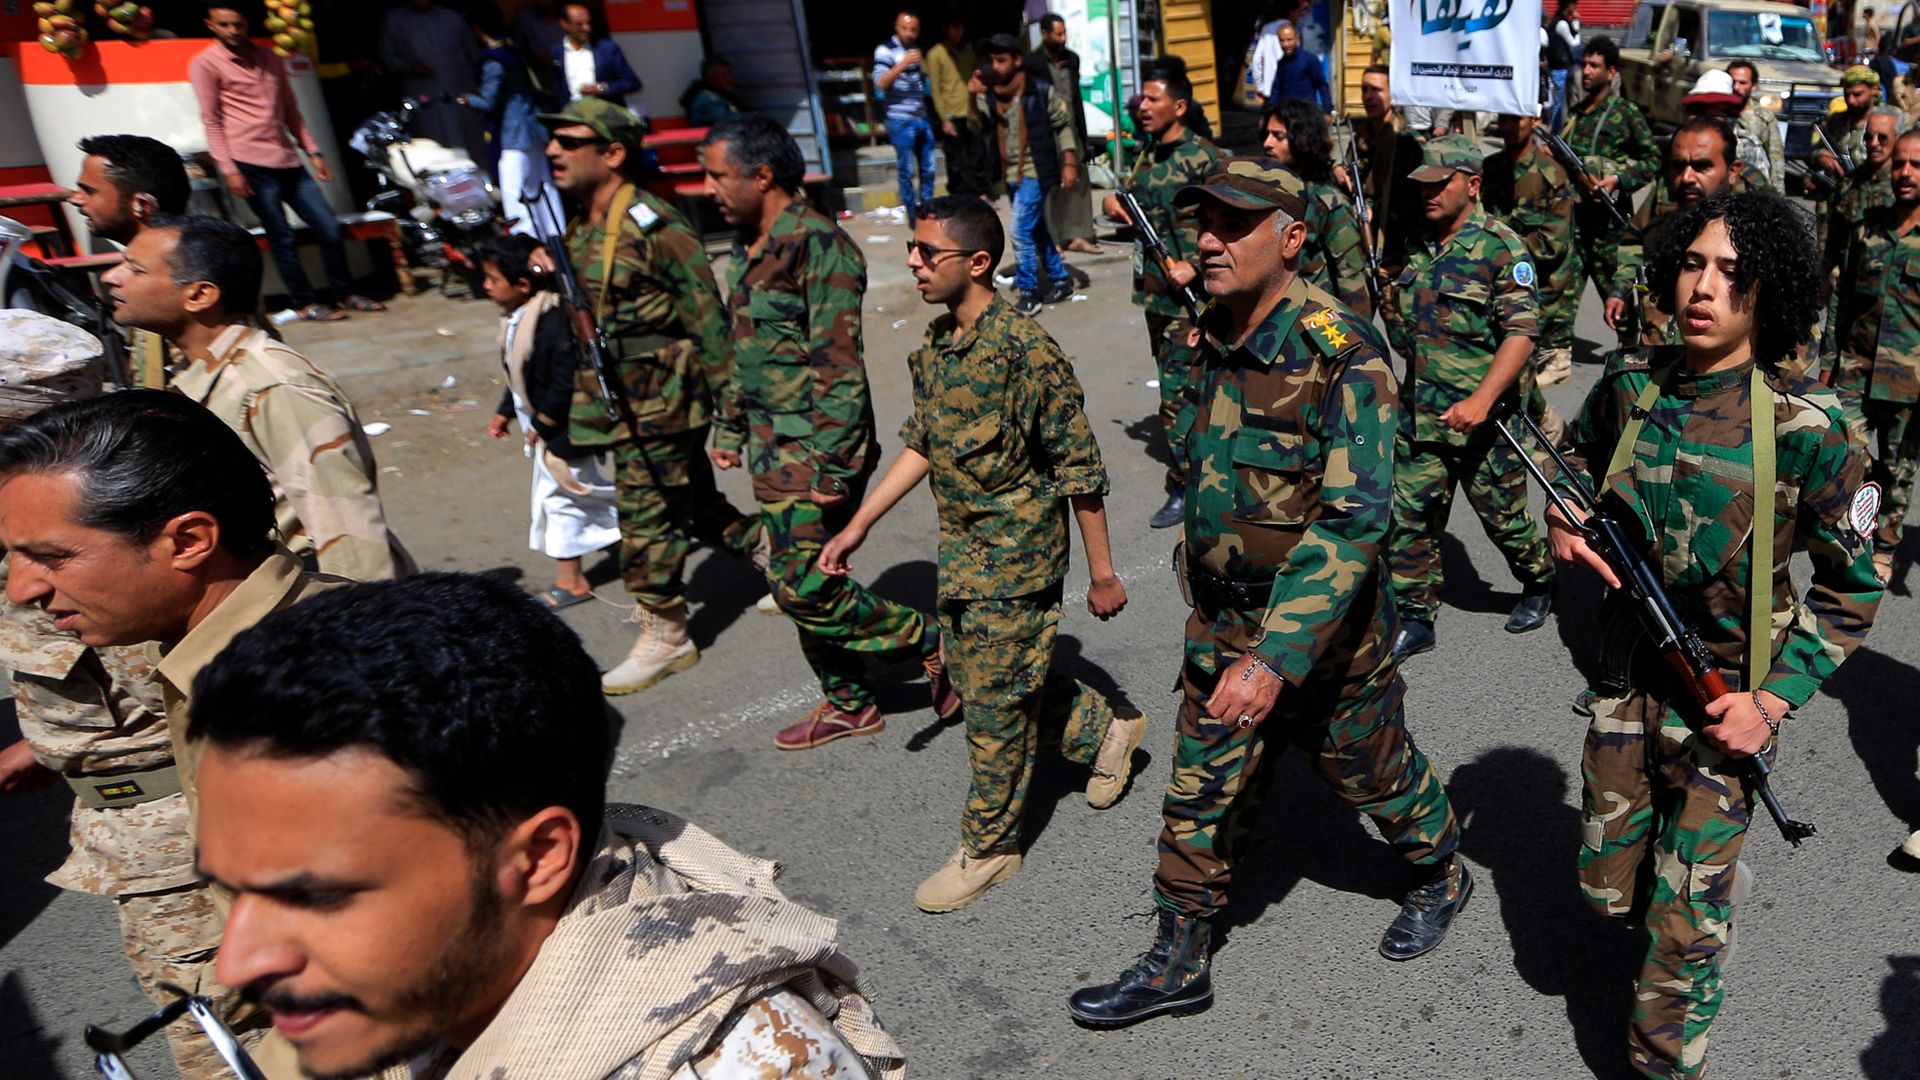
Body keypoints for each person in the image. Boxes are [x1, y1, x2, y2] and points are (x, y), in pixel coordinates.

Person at [186, 573, 906, 1080]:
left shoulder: (729, 1064)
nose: (237, 965)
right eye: (235, 890)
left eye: (314, 897)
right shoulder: (459, 972)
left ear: (536, 860)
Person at [1067, 159, 1469, 1029]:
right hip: (1221, 620)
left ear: (1291, 240)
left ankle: (1442, 868)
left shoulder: (1342, 351)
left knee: (1378, 779)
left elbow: (1353, 523)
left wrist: (1275, 659)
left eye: (1232, 225)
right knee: (1197, 790)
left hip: (1319, 638)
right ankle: (1179, 955)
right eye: (1202, 223)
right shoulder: (1211, 331)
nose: (1208, 240)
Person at [1551, 190, 1881, 1080]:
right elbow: (1576, 459)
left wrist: (1771, 704)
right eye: (1692, 264)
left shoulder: (1810, 426)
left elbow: (1857, 582)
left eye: (1733, 274)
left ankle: (1667, 1051)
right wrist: (1565, 521)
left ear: (1770, 295)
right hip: (1626, 682)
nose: (1704, 288)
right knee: (1607, 886)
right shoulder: (1631, 383)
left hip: (1726, 697)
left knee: (1682, 924)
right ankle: (1693, 897)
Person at [0, 390, 343, 1074]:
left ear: (187, 540)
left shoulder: (309, 693)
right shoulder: (208, 667)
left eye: (53, 557)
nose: (22, 591)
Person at [817, 196, 1143, 912]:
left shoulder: (1026, 353)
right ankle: (1106, 729)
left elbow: (1079, 470)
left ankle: (989, 846)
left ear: (978, 263)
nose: (912, 262)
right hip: (964, 556)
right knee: (984, 676)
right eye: (911, 248)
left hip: (1020, 563)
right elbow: (923, 444)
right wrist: (860, 524)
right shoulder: (937, 348)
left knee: (992, 710)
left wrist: (1103, 574)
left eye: (927, 252)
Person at [0, 321, 252, 1080]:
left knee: (232, 1052)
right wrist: (51, 749)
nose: (25, 586)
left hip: (196, 841)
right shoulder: (67, 514)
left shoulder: (129, 516)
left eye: (46, 561)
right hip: (125, 834)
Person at [701, 112, 955, 749]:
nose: (709, 188)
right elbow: (748, 346)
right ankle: (849, 701)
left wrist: (836, 469)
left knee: (800, 587)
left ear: (762, 176)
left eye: (717, 176)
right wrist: (729, 426)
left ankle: (926, 638)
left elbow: (836, 365)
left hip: (815, 449)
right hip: (769, 446)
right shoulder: (748, 245)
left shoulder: (819, 245)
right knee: (800, 575)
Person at [538, 98, 758, 693]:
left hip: (661, 399)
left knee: (644, 516)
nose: (553, 150)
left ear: (612, 153)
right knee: (689, 503)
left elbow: (707, 318)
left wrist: (731, 417)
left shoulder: (653, 221)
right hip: (618, 397)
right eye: (552, 140)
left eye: (569, 140)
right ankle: (774, 557)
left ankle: (667, 633)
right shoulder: (585, 221)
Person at [99, 214, 412, 583]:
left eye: (135, 270)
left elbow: (347, 525)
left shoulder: (270, 386)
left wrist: (358, 625)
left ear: (199, 295)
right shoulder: (199, 372)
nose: (111, 277)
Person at [1382, 136, 1557, 661]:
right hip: (1424, 416)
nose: (1428, 193)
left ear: (1472, 185)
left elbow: (1522, 333)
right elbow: (1406, 326)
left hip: (1486, 421)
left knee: (1504, 520)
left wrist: (1482, 399)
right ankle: (1416, 615)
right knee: (1409, 516)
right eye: (1423, 185)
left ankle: (1539, 580)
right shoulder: (1416, 243)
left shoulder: (1501, 248)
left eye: (1440, 183)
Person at [193, 4, 385, 322]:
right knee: (281, 236)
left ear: (247, 24)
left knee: (328, 226)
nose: (232, 31)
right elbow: (211, 121)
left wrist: (314, 152)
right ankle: (304, 302)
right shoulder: (205, 63)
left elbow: (291, 111)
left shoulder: (270, 58)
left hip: (288, 159)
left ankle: (345, 292)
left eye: (237, 24)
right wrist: (229, 169)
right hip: (248, 162)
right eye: (224, 25)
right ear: (211, 26)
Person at [1103, 67, 1220, 529]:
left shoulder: (1206, 158)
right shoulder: (1146, 153)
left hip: (1190, 297)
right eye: (1141, 99)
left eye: (1153, 99)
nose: (1142, 107)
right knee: (1179, 390)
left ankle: (1185, 485)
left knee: (1178, 395)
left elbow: (1233, 222)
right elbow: (1132, 205)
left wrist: (1194, 260)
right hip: (1155, 294)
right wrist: (1114, 207)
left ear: (1179, 107)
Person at [476, 233, 618, 609]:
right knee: (579, 494)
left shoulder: (554, 319)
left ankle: (571, 582)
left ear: (523, 284)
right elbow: (519, 374)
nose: (485, 286)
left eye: (492, 279)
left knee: (560, 500)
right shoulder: (517, 319)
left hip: (566, 429)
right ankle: (638, 535)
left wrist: (543, 420)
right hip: (543, 428)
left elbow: (562, 378)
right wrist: (506, 411)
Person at [1823, 128, 1920, 583]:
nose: (1904, 173)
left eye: (1916, 165)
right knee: (1847, 455)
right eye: (1899, 163)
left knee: (1899, 470)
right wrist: (1828, 359)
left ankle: (1885, 545)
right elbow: (1842, 298)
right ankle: (1853, 537)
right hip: (1856, 370)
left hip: (1910, 380)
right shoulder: (1868, 231)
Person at [1606, 116, 1750, 352]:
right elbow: (1634, 239)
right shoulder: (1666, 193)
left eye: (1702, 166)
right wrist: (1620, 289)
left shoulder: (1756, 218)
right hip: (1660, 344)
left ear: (1733, 171)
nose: (1687, 177)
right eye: (1679, 165)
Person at [65, 133, 192, 388]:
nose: (75, 199)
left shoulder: (180, 274)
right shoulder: (154, 270)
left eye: (89, 190)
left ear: (141, 204)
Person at [973, 33, 1081, 316]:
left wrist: (1069, 163)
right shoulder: (991, 95)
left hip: (1036, 169)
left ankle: (1029, 292)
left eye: (1001, 60)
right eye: (991, 60)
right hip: (1009, 172)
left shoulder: (1039, 90)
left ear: (1017, 61)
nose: (994, 66)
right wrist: (972, 98)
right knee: (1036, 229)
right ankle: (1060, 280)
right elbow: (977, 128)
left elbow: (1063, 124)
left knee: (1020, 231)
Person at [1560, 35, 1659, 310]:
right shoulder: (1577, 114)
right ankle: (1561, 352)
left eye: (1595, 66)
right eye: (1585, 65)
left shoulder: (1626, 113)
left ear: (1612, 72)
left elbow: (1653, 159)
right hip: (1576, 223)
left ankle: (1632, 351)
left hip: (1609, 230)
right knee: (1563, 304)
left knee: (1620, 304)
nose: (1587, 72)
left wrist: (1619, 179)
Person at [1484, 112, 1580, 389]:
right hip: (1494, 287)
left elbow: (1553, 243)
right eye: (1504, 119)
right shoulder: (1490, 169)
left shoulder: (1552, 175)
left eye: (1516, 119)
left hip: (1540, 291)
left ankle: (1554, 431)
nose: (1508, 127)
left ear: (1534, 121)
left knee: (1519, 384)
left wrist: (1500, 250)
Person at [1262, 97, 1371, 315]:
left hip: (1314, 323)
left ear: (1302, 140)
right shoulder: (1266, 193)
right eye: (1266, 134)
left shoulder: (1327, 203)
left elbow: (1351, 280)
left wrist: (1354, 343)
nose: (1267, 143)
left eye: (1278, 136)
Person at [463, 7, 555, 237]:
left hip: (514, 132)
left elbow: (488, 102)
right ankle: (553, 234)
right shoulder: (513, 50)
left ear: (477, 29)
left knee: (514, 187)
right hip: (533, 126)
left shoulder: (493, 59)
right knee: (541, 185)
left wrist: (466, 99)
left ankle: (526, 241)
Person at [377, 0, 487, 159]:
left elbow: (473, 55)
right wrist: (410, 67)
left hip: (459, 94)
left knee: (472, 149)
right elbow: (387, 58)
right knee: (435, 150)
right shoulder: (394, 20)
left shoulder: (451, 18)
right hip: (425, 98)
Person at [1029, 13, 1099, 254]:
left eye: (1064, 33)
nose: (1063, 38)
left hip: (1072, 126)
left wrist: (1084, 132)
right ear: (1045, 34)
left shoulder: (1072, 59)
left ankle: (1078, 234)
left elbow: (1076, 97)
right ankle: (1053, 239)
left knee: (1078, 180)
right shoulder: (1033, 63)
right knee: (1050, 184)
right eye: (1058, 34)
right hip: (1047, 131)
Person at [1351, 65, 1424, 271]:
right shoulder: (1360, 136)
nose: (1368, 96)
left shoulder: (1405, 141)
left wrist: (1373, 204)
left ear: (1393, 95)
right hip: (1362, 233)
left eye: (1376, 90)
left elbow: (1411, 197)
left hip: (1395, 238)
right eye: (1364, 89)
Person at [873, 11, 934, 224]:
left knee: (929, 168)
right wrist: (902, 64)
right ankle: (911, 213)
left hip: (921, 116)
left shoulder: (917, 49)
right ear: (896, 27)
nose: (909, 33)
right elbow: (880, 82)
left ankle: (927, 210)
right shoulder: (885, 50)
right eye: (905, 28)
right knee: (906, 169)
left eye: (913, 30)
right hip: (900, 119)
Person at [925, 15, 988, 199]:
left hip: (969, 110)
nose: (958, 32)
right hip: (951, 113)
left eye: (960, 27)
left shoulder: (968, 53)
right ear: (946, 29)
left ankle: (980, 193)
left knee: (976, 154)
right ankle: (960, 197)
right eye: (954, 28)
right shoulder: (935, 54)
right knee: (955, 160)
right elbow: (935, 90)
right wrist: (944, 119)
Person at [552, 1, 641, 105]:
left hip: (603, 114)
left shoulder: (607, 49)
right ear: (565, 24)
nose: (587, 28)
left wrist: (601, 88)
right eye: (579, 24)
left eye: (588, 22)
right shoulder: (557, 51)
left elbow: (632, 83)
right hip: (573, 115)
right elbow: (555, 88)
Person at [1727, 61, 1786, 192]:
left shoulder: (1764, 118)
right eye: (1733, 82)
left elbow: (1776, 159)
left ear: (1753, 86)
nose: (1736, 87)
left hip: (1755, 190)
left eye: (1742, 83)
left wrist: (1778, 197)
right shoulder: (1718, 113)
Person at [1265, 20, 1331, 114]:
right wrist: (1269, 113)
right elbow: (1276, 90)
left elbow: (1322, 85)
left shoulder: (1309, 59)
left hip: (1306, 114)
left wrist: (1327, 111)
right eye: (1282, 40)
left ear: (1297, 38)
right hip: (1286, 114)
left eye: (1289, 39)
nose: (1285, 44)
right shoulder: (1281, 63)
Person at [1547, 1, 1581, 130]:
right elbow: (1574, 44)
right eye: (1574, 4)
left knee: (1560, 104)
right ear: (1569, 5)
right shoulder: (1561, 23)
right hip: (1559, 69)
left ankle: (1556, 133)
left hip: (1558, 68)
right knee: (1559, 106)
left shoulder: (1558, 21)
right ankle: (1555, 135)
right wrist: (1577, 23)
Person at [681, 55, 742, 127]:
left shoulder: (723, 95)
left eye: (730, 74)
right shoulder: (704, 99)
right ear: (711, 78)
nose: (730, 79)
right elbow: (728, 119)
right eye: (724, 76)